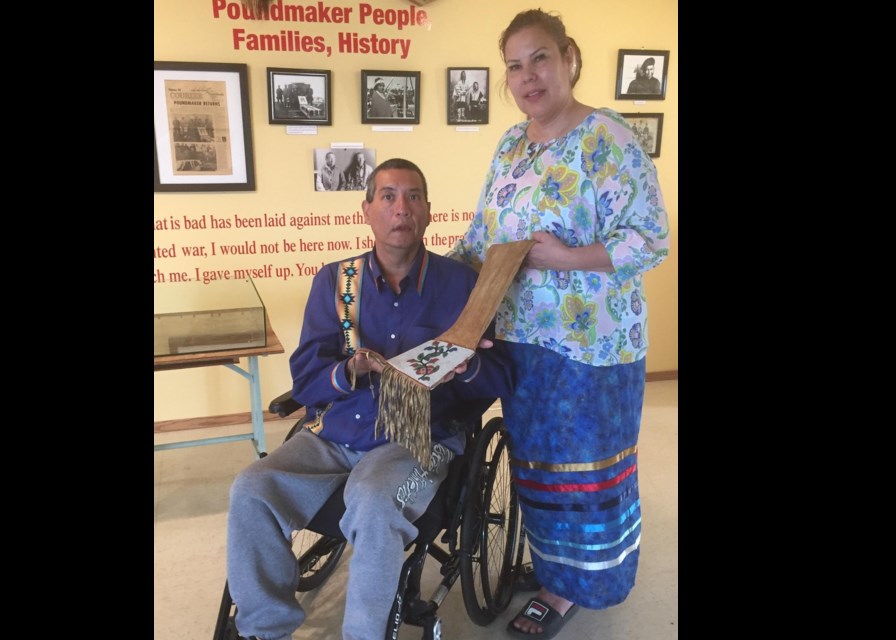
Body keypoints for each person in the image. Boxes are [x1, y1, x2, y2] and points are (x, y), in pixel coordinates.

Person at [448, 9, 670, 639]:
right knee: (537, 467)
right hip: (520, 341)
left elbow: (651, 240)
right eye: (514, 65)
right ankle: (550, 569)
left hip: (591, 346)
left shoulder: (610, 139)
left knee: (585, 473)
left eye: (539, 58)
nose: (527, 76)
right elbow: (483, 237)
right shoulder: (511, 146)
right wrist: (440, 288)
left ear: (569, 57)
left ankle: (574, 589)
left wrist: (569, 258)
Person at [227, 158, 515, 640]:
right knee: (251, 488)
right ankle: (265, 628)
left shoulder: (463, 285)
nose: (401, 207)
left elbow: (502, 374)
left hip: (415, 434)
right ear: (367, 210)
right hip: (338, 429)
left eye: (413, 197)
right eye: (388, 196)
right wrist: (348, 370)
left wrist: (469, 368)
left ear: (428, 213)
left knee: (373, 500)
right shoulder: (336, 283)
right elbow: (305, 377)